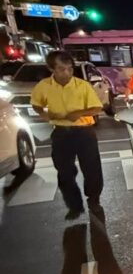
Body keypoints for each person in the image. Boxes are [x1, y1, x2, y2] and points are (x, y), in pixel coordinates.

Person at [31, 51, 105, 219]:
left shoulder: (82, 86)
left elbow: (97, 108)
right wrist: (44, 113)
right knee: (64, 171)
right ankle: (74, 205)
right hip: (61, 133)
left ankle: (94, 199)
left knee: (92, 169)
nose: (67, 73)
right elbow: (36, 104)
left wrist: (79, 113)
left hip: (84, 132)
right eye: (61, 69)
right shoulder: (44, 86)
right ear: (51, 69)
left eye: (70, 69)